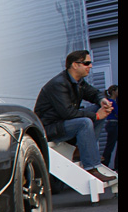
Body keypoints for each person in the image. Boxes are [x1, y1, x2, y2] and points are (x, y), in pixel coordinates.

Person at [34, 50, 116, 182]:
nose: (90, 66)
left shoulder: (79, 82)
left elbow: (94, 93)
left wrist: (102, 101)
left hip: (64, 123)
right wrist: (96, 116)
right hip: (50, 128)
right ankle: (92, 167)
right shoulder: (59, 84)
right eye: (86, 63)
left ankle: (82, 150)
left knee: (100, 110)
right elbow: (68, 113)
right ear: (75, 65)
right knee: (86, 122)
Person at [101, 85, 117, 171]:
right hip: (113, 124)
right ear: (114, 91)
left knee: (110, 145)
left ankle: (107, 164)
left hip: (111, 125)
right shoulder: (111, 102)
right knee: (110, 145)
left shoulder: (113, 101)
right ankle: (105, 164)